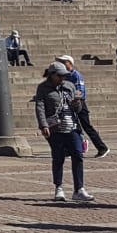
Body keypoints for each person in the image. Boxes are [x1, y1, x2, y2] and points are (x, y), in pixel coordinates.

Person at [34, 64, 93, 203]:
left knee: (78, 155)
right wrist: (43, 125)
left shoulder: (69, 86)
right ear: (52, 75)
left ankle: (79, 189)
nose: (62, 78)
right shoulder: (43, 88)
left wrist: (77, 102)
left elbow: (78, 110)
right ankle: (59, 187)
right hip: (55, 128)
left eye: (64, 76)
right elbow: (40, 107)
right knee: (58, 157)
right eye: (59, 75)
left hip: (72, 126)